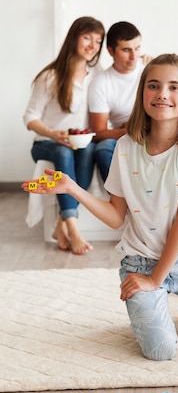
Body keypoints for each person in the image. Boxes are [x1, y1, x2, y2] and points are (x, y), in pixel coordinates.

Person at [22, 53, 178, 361]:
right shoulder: (125, 147)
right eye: (153, 85)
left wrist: (157, 280)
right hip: (139, 265)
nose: (163, 94)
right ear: (142, 94)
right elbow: (115, 217)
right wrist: (71, 187)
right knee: (160, 351)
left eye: (174, 87)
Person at [23, 16, 105, 255]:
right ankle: (73, 227)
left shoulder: (96, 75)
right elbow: (29, 117)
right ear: (74, 38)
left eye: (98, 41)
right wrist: (52, 133)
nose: (93, 45)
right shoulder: (50, 76)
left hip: (80, 143)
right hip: (46, 143)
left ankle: (60, 225)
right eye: (88, 37)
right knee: (62, 150)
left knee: (89, 150)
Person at [88, 21, 151, 182]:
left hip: (154, 130)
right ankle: (120, 203)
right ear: (110, 51)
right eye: (126, 50)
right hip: (125, 136)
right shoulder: (101, 83)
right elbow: (98, 133)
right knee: (103, 149)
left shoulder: (149, 69)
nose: (134, 56)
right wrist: (129, 130)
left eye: (137, 48)